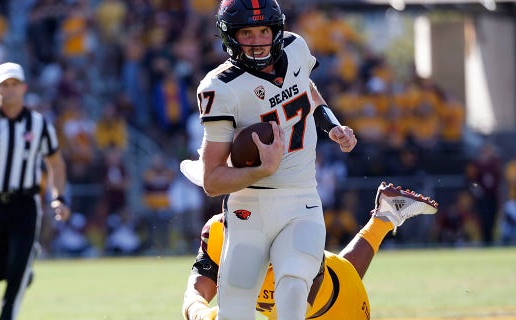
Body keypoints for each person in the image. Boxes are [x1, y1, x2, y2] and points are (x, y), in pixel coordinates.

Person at [193, 0, 357, 318]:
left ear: (276, 29)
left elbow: (305, 89)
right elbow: (212, 181)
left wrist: (331, 125)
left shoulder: (295, 47)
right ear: (230, 36)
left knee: (294, 286)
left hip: (301, 199)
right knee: (236, 308)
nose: (258, 40)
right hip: (249, 207)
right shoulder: (219, 88)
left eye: (264, 30)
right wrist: (261, 169)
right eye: (247, 33)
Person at [182, 182, 439, 320]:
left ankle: (385, 218)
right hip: (301, 297)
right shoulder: (217, 231)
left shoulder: (296, 228)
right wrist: (202, 314)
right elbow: (194, 293)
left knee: (334, 279)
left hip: (336, 308)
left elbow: (298, 310)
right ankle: (386, 216)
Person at [0, 62, 70, 320]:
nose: (10, 90)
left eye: (15, 84)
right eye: (5, 85)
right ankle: (25, 264)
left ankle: (7, 314)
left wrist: (58, 197)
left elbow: (55, 164)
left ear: (24, 88)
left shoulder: (39, 124)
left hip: (25, 204)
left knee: (16, 272)